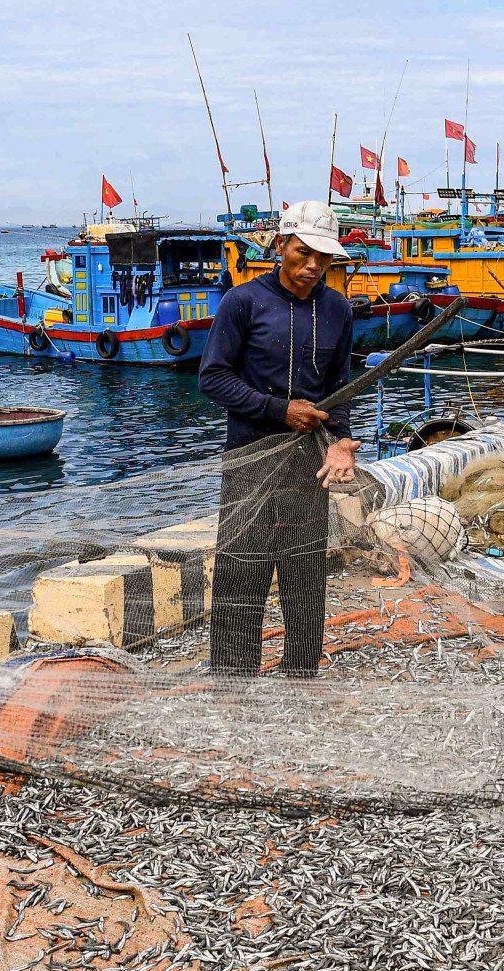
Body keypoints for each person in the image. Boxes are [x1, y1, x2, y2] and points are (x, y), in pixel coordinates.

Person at [197, 200, 356, 676]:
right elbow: (214, 378)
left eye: (323, 258)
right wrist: (279, 409)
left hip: (309, 463)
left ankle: (302, 672)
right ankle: (231, 676)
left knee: (305, 575)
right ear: (279, 245)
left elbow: (339, 389)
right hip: (249, 457)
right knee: (241, 570)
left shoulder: (337, 309)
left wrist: (339, 439)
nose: (312, 266)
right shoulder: (243, 302)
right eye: (302, 253)